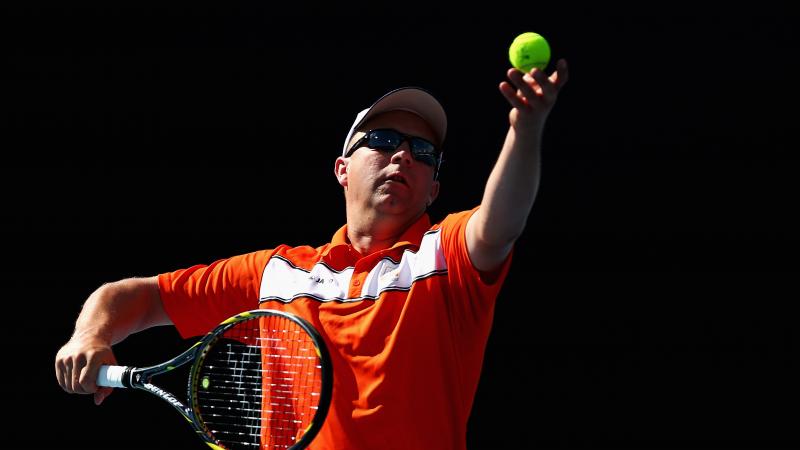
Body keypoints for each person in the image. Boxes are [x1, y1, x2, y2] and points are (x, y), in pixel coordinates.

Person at [55, 59, 569, 449]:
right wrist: (90, 334)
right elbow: (136, 297)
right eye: (384, 139)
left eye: (424, 152)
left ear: (433, 189)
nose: (404, 155)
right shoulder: (277, 274)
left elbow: (502, 221)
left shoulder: (445, 255)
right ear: (343, 169)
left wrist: (525, 129)